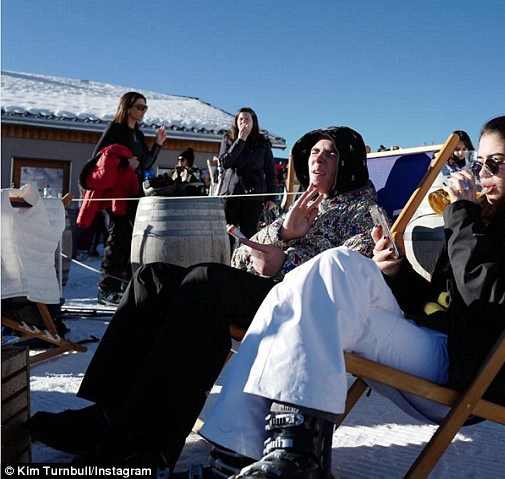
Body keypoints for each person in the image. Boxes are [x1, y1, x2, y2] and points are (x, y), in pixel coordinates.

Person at [197, 108, 505, 478]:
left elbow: (491, 305)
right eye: (480, 162)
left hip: (470, 366)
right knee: (321, 272)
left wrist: (464, 215)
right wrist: (397, 273)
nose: (481, 174)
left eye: (495, 163)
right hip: (436, 340)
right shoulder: (489, 214)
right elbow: (444, 300)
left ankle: (295, 457)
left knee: (324, 276)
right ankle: (246, 455)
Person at [28, 126, 385, 470]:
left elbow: (351, 277)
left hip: (301, 309)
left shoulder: (364, 213)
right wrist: (284, 232)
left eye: (331, 154)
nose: (317, 160)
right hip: (268, 289)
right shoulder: (301, 202)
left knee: (205, 283)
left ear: (349, 163)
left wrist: (284, 259)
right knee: (153, 277)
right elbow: (242, 255)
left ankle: (148, 441)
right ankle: (108, 414)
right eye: (314, 152)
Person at [87, 92, 167, 305]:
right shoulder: (115, 129)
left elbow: (145, 164)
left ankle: (122, 285)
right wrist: (124, 164)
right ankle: (106, 289)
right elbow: (98, 159)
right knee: (117, 237)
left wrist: (158, 144)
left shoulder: (138, 135)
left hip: (134, 193)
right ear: (127, 107)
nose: (143, 111)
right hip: (117, 193)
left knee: (131, 239)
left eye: (145, 108)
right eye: (139, 107)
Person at [219, 108, 277, 243]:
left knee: (249, 235)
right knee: (228, 234)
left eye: (247, 119)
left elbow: (270, 172)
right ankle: (226, 262)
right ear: (236, 122)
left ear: (253, 122)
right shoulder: (228, 138)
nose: (243, 122)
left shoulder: (262, 143)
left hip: (254, 196)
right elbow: (225, 163)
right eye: (241, 119)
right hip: (232, 194)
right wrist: (240, 141)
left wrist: (271, 197)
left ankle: (246, 262)